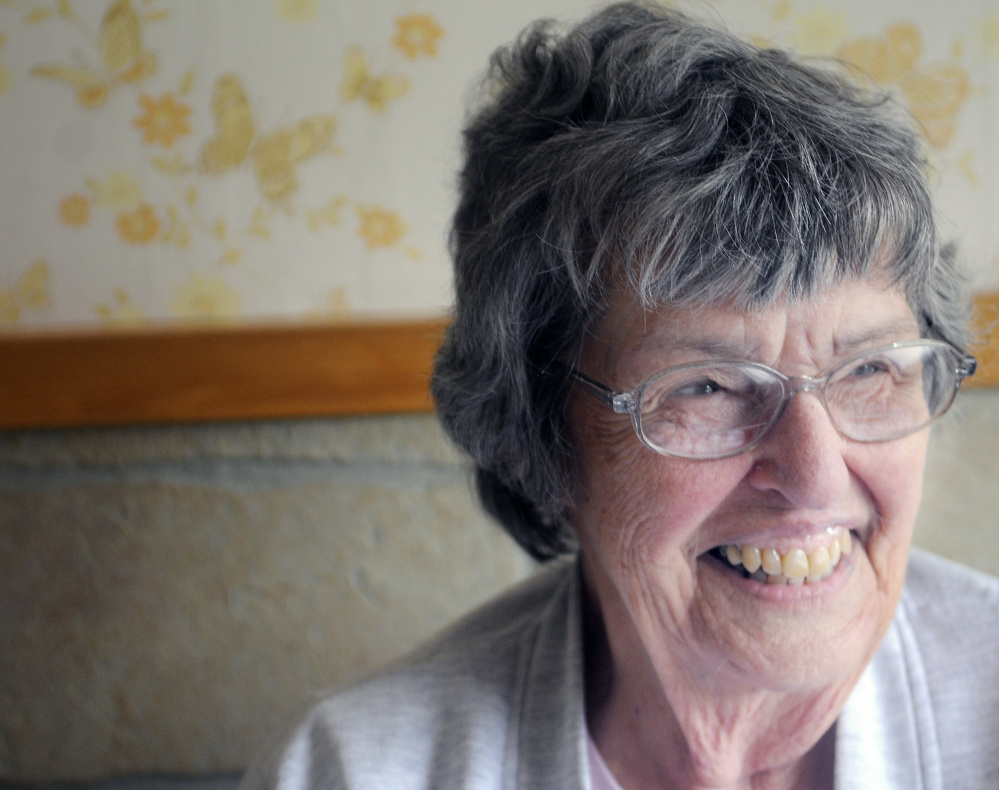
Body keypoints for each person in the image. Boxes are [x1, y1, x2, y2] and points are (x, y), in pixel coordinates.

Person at [240, 3, 999, 788]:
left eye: (870, 369)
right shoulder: (358, 770)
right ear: (537, 433)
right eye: (706, 386)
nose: (813, 474)